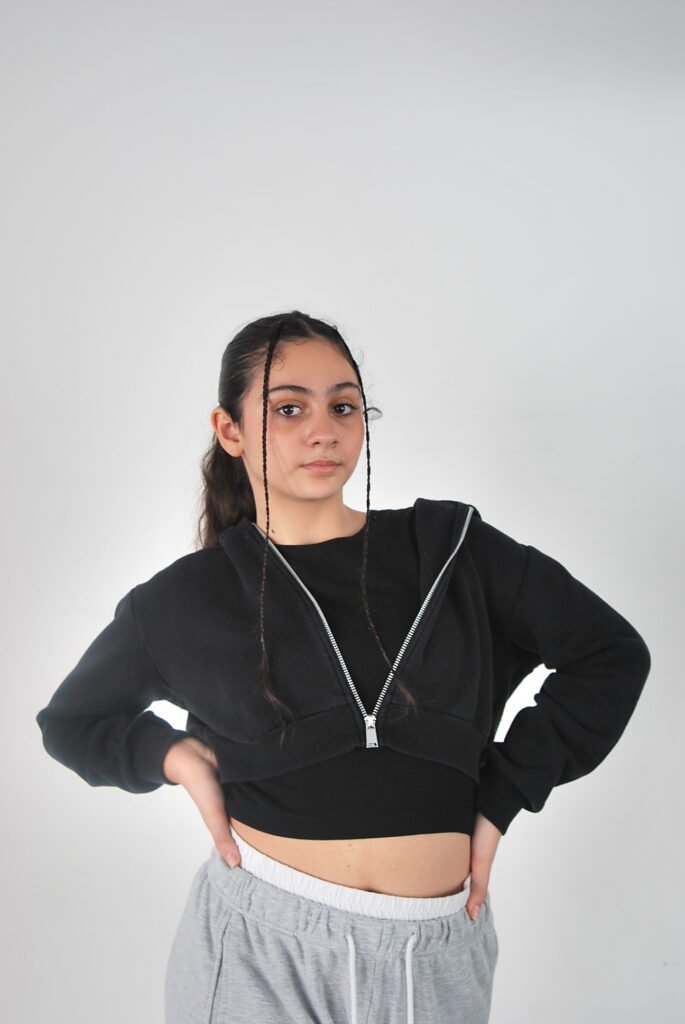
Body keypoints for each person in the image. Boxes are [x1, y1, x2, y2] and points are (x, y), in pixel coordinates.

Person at [35, 310, 651, 1024]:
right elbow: (72, 722)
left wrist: (505, 794)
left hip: (436, 953)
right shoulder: (185, 599)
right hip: (260, 947)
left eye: (344, 406)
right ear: (230, 430)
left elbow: (609, 654)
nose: (323, 430)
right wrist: (174, 758)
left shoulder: (452, 549)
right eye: (288, 409)